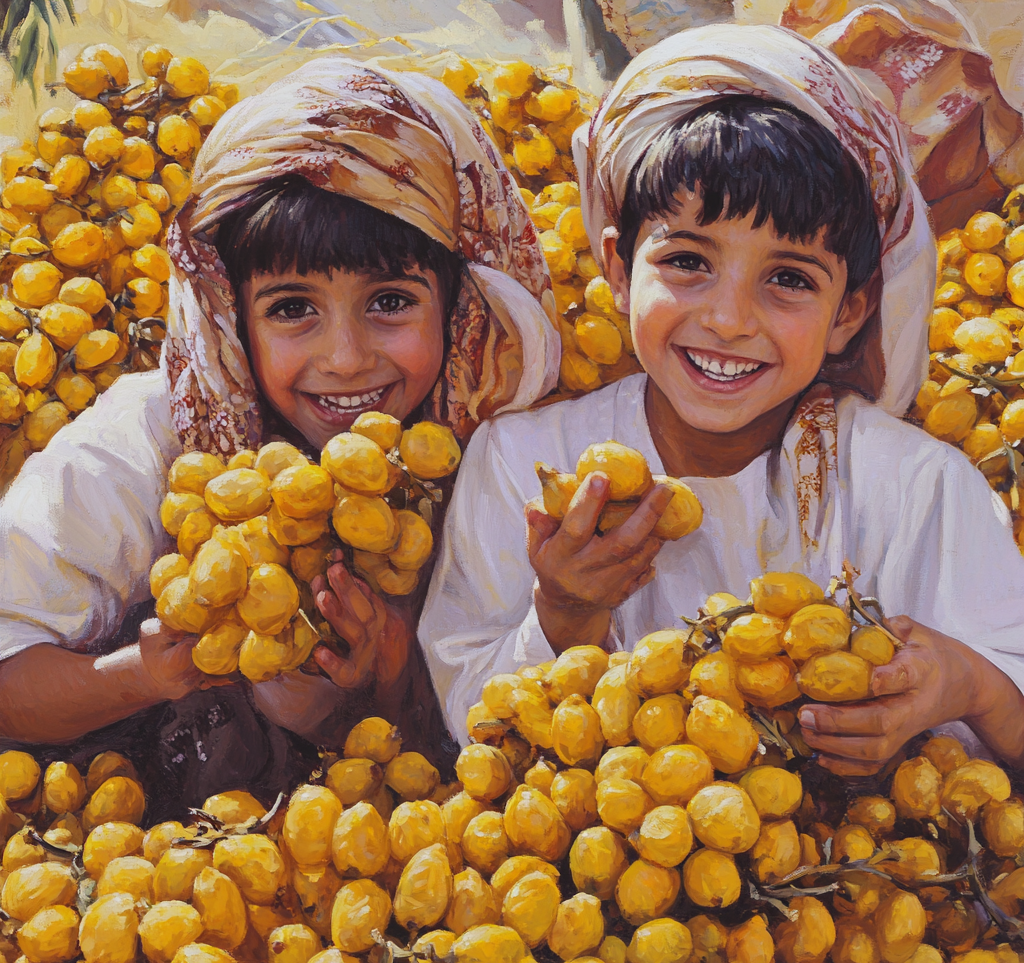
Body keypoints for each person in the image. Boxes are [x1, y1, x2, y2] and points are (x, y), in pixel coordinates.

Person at [420, 24, 1024, 775]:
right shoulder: (522, 463)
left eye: (790, 279)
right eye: (687, 262)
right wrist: (564, 615)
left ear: (851, 312)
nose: (730, 320)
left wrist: (968, 685)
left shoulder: (916, 489)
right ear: (616, 264)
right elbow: (468, 723)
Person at [0, 57, 559, 815]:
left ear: (460, 304)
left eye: (390, 301)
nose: (345, 358)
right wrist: (143, 675)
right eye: (293, 308)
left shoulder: (508, 442)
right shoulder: (153, 439)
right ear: (229, 309)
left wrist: (388, 685)